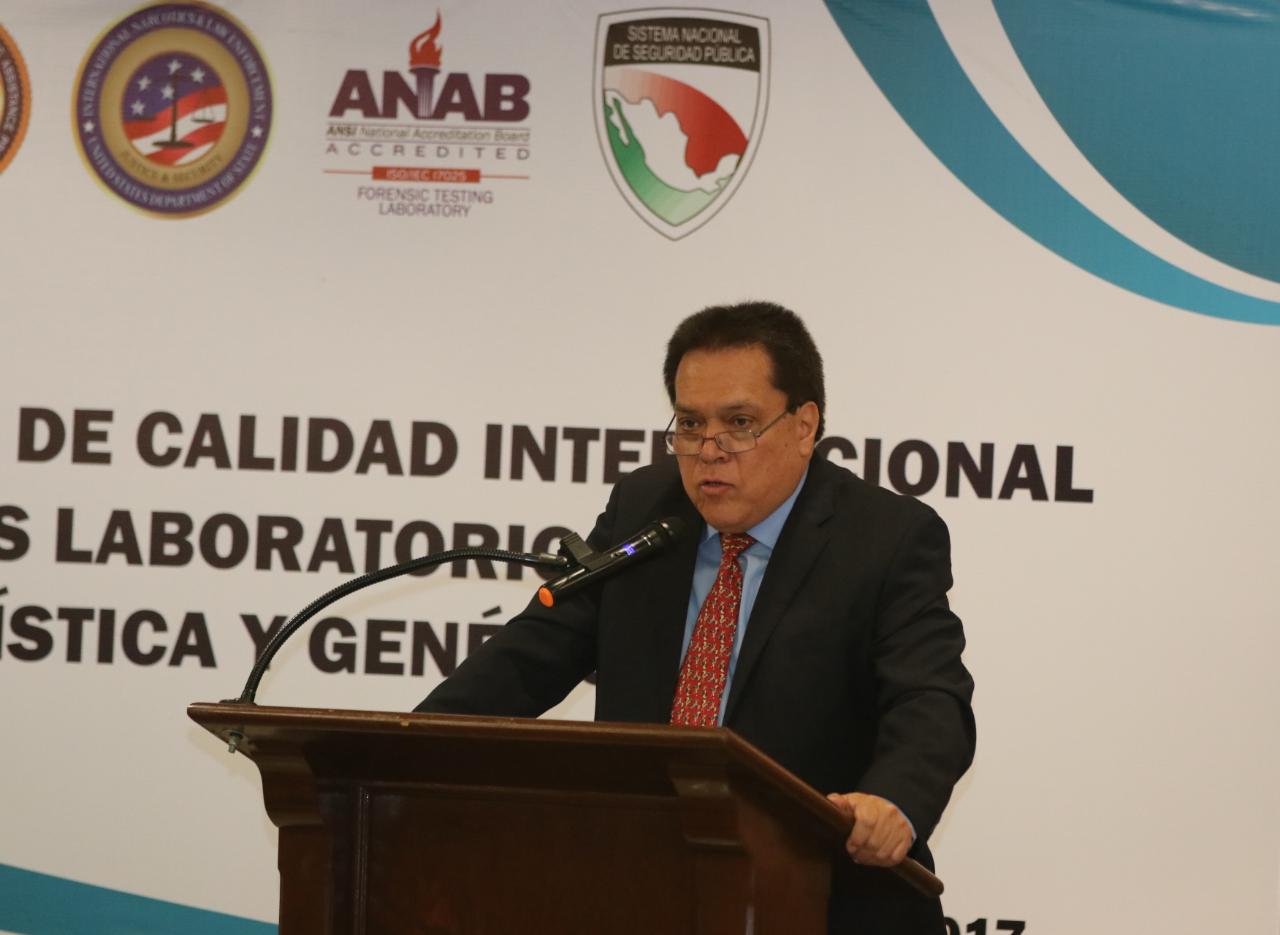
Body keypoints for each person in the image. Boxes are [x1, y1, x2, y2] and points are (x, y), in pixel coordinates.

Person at [416, 301, 976, 933]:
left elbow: (930, 698)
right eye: (689, 424)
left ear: (804, 426)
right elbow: (530, 656)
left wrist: (893, 800)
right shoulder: (646, 509)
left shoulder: (884, 537)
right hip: (646, 889)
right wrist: (407, 750)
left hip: (825, 898)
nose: (709, 451)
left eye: (739, 423)